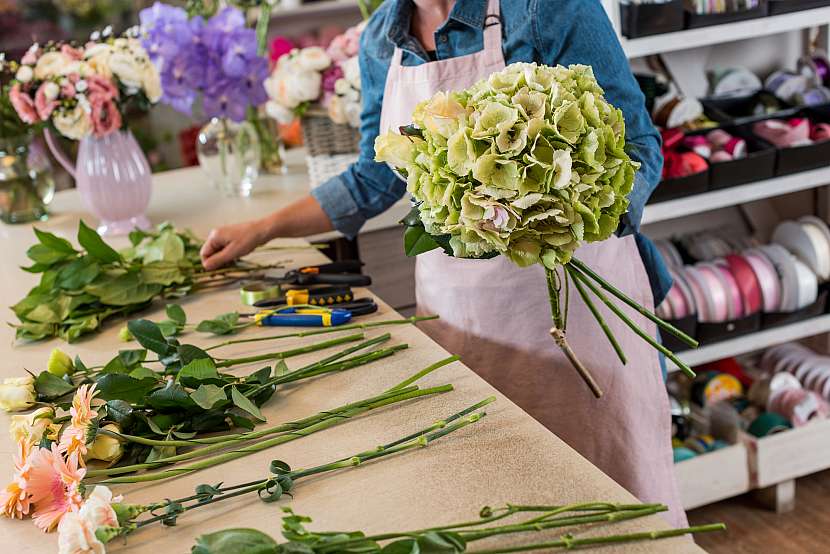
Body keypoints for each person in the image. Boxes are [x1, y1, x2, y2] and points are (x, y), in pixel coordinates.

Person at [201, 0, 686, 527]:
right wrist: (261, 229)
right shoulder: (380, 40)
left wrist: (556, 210)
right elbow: (374, 177)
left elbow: (640, 149)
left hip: (577, 318)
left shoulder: (547, 9)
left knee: (613, 503)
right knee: (494, 507)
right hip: (461, 325)